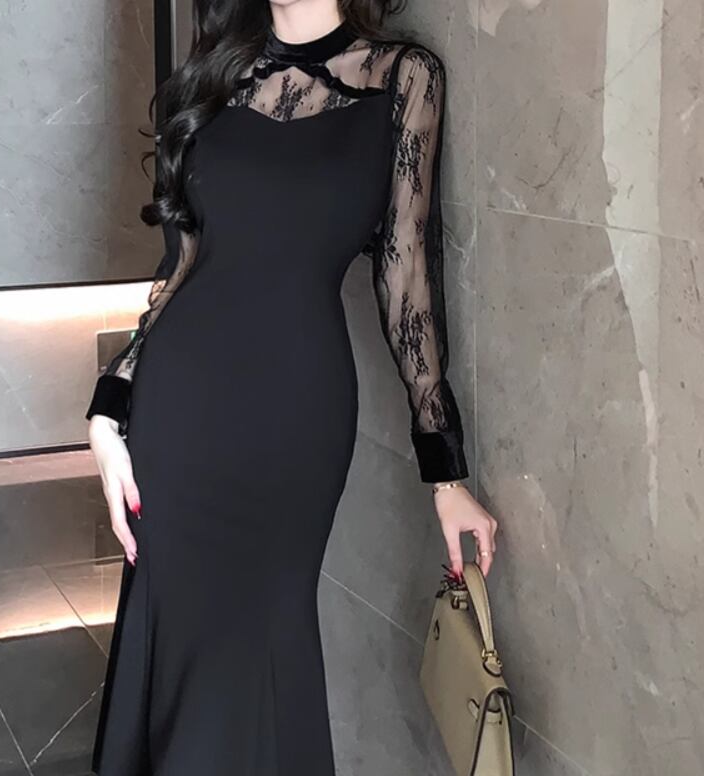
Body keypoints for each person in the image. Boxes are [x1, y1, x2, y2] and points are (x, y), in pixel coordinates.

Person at [86, 1, 499, 773]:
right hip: (178, 414)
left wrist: (445, 472)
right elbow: (180, 269)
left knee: (266, 639)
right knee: (172, 642)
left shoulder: (402, 77)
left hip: (293, 415)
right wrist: (110, 408)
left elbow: (405, 277)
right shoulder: (216, 78)